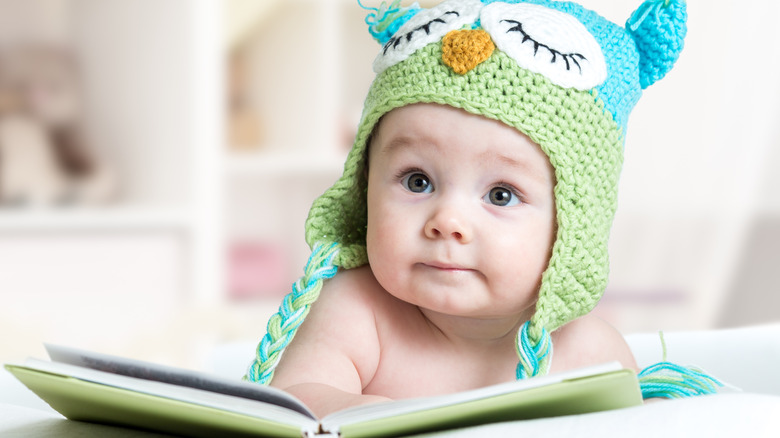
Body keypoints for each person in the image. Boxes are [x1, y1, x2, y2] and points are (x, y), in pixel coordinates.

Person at [244, 0, 717, 417]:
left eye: (501, 195)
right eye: (418, 181)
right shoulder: (357, 310)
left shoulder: (585, 351)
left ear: (572, 227)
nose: (447, 221)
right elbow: (292, 405)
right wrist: (368, 413)